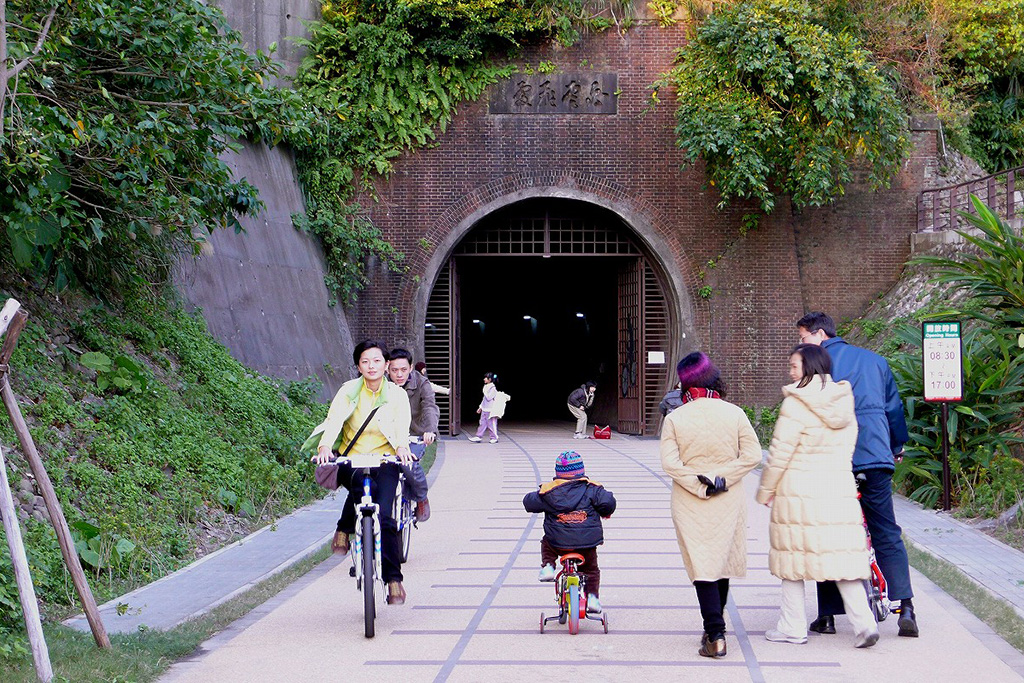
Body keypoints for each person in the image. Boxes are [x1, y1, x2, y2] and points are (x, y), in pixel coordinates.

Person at [796, 311, 917, 637]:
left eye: (804, 338)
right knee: (886, 531)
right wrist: (895, 446)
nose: (800, 345)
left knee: (829, 534)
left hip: (834, 462)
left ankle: (828, 617)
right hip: (875, 458)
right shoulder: (876, 361)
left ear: (820, 335)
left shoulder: (814, 363)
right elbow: (893, 409)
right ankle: (906, 605)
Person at [756, 344, 880, 649]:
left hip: (798, 490)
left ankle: (792, 627)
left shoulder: (797, 403)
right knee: (841, 559)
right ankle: (864, 625)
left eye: (795, 366)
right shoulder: (843, 401)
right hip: (837, 487)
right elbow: (849, 447)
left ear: (809, 367)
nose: (791, 371)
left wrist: (765, 490)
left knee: (791, 561)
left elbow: (780, 453)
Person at [660, 352, 762, 659]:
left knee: (702, 564)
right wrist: (722, 479)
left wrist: (698, 483)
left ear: (685, 384)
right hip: (727, 498)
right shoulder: (735, 413)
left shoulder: (676, 417)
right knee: (722, 560)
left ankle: (715, 634)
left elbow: (669, 463)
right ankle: (715, 630)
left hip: (689, 500)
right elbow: (753, 455)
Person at [307, 340, 413, 605]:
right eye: (365, 362)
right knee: (359, 490)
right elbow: (334, 421)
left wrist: (401, 447)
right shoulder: (348, 392)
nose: (372, 366)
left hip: (385, 460)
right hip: (352, 459)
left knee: (387, 519)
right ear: (358, 366)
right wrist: (324, 447)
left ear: (386, 365)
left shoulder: (396, 394)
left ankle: (393, 580)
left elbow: (402, 425)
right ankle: (345, 528)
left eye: (377, 361)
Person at [523, 451, 617, 613]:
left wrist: (540, 497)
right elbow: (608, 503)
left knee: (547, 542)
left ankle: (548, 566)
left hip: (558, 543)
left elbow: (529, 503)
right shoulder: (592, 489)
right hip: (586, 544)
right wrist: (604, 512)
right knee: (591, 570)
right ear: (581, 471)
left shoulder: (548, 492)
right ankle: (593, 598)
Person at [387, 348, 435, 522]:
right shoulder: (381, 384)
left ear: (411, 367)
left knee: (409, 463)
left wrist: (429, 430)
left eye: (403, 370)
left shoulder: (422, 383)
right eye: (394, 370)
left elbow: (429, 406)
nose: (399, 374)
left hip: (414, 434)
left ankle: (421, 498)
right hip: (388, 435)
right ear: (387, 368)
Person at [469, 372, 501, 443]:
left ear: (489, 379)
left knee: (491, 424)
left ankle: (494, 438)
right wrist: (480, 407)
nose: (484, 379)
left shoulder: (493, 388)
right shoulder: (486, 387)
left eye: (485, 378)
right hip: (485, 409)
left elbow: (489, 397)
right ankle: (478, 436)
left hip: (491, 409)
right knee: (482, 423)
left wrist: (485, 391)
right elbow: (484, 399)